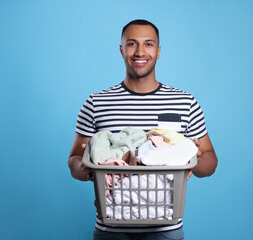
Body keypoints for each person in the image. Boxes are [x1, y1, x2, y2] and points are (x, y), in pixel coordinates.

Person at [68, 19, 218, 240]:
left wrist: (195, 161)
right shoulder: (97, 102)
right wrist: (86, 167)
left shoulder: (184, 102)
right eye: (131, 44)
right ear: (121, 50)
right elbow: (74, 159)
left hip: (165, 228)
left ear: (158, 51)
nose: (140, 51)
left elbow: (210, 160)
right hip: (111, 227)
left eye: (148, 44)